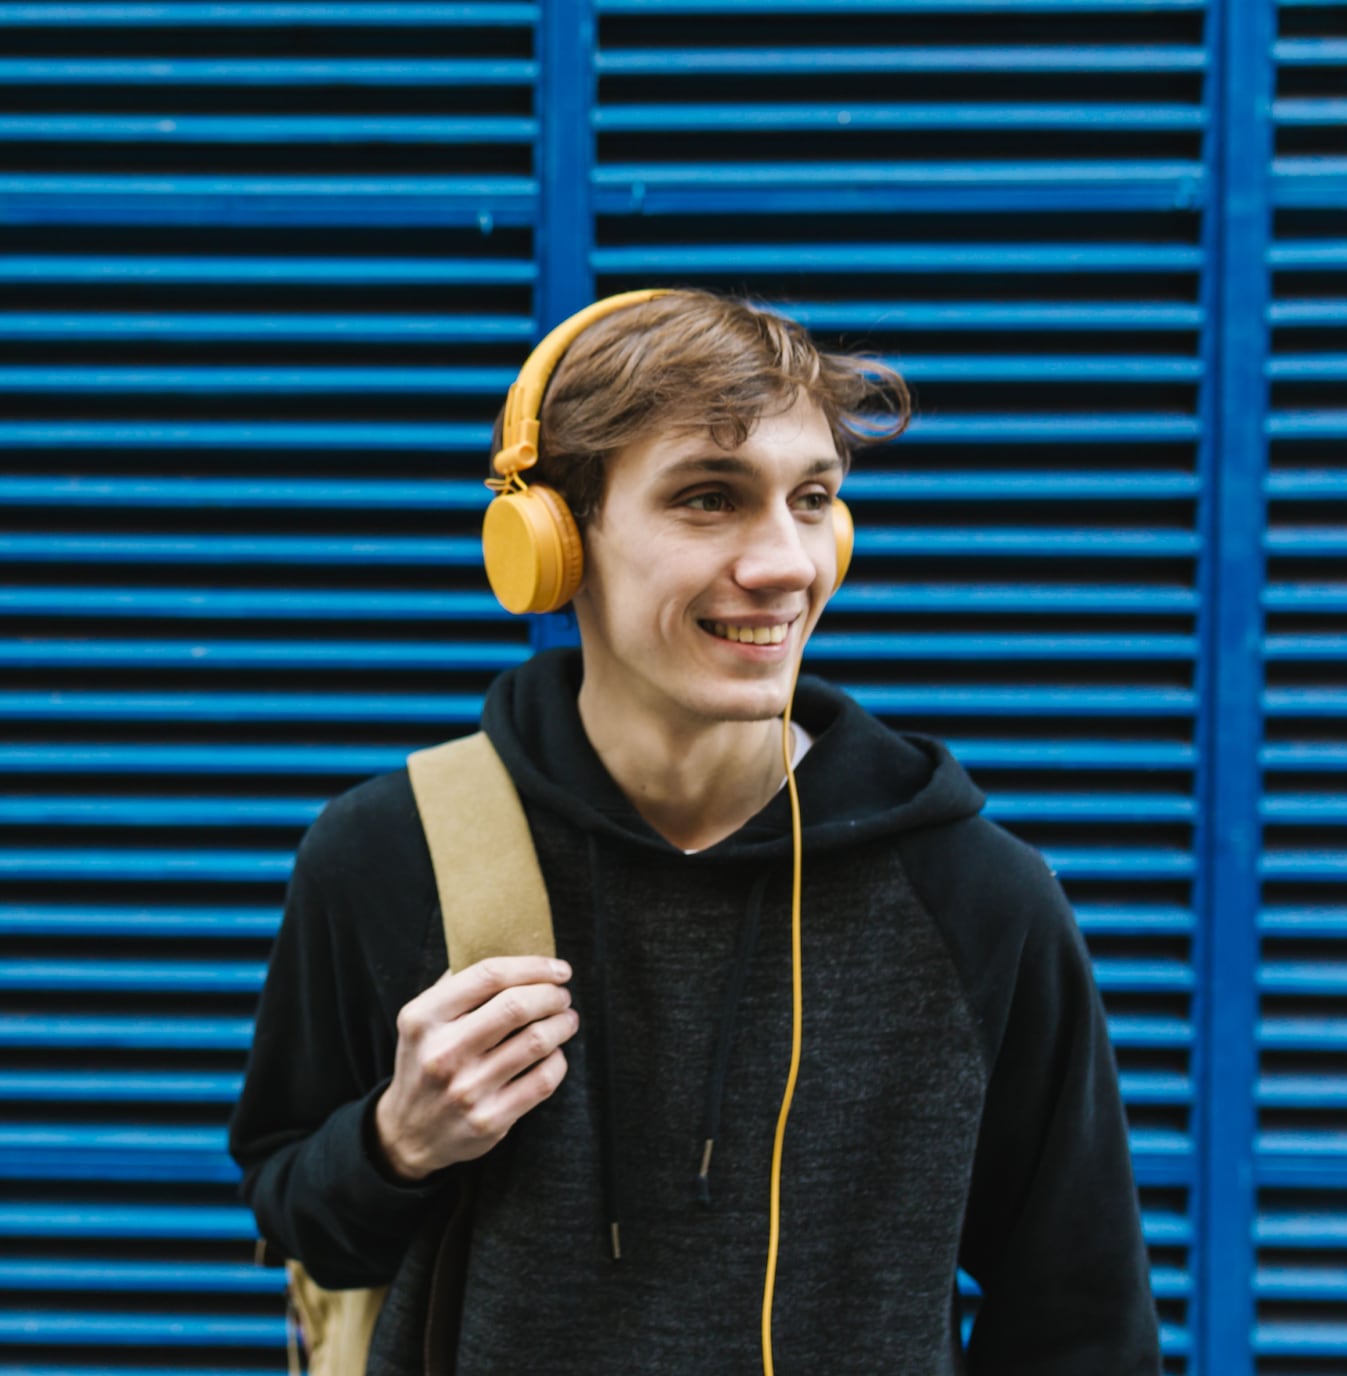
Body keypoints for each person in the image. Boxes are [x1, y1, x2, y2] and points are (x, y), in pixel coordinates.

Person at [229, 289, 1161, 1374]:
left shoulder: (973, 896)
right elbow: (301, 1217)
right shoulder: (387, 852)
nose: (783, 563)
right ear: (551, 543)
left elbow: (1079, 1326)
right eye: (708, 498)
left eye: (810, 498)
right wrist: (397, 1140)